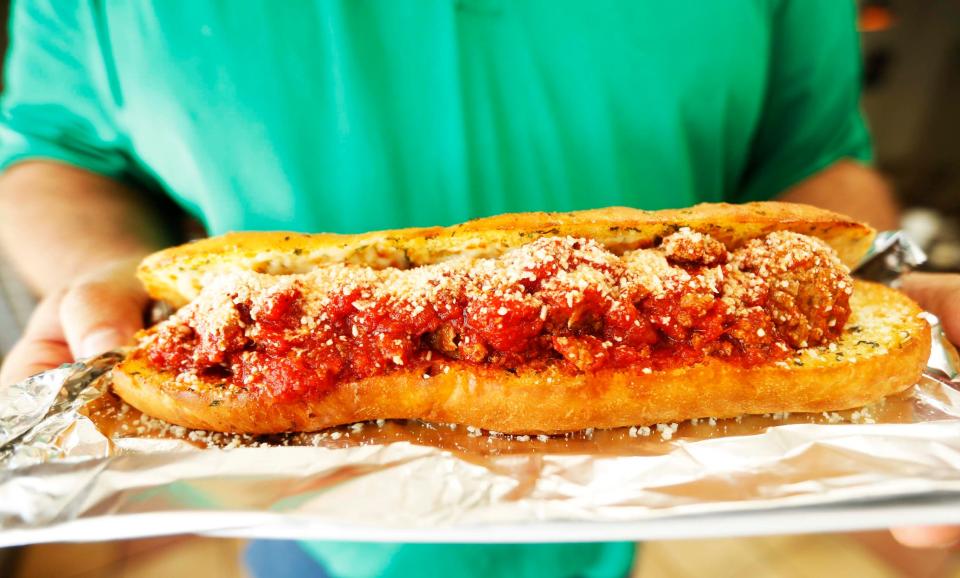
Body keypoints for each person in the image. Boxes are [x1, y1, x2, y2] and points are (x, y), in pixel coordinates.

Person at [1, 1, 958, 575]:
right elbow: (52, 153)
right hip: (298, 510)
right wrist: (95, 265)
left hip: (650, 507)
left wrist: (874, 279)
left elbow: (819, 162)